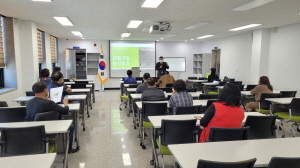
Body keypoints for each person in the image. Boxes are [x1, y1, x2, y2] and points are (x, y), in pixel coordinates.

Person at [25, 82, 79, 153]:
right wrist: (66, 103)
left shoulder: (29, 102)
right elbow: (65, 111)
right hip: (48, 129)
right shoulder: (49, 103)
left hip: (33, 130)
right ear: (45, 90)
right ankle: (69, 148)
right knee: (71, 127)